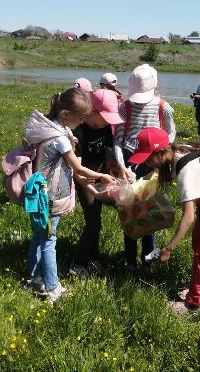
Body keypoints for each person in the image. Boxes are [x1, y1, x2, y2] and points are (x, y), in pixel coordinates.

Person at [127, 127, 200, 314]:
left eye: (147, 157)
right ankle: (196, 288)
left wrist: (168, 248)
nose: (146, 162)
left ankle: (193, 303)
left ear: (161, 153)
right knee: (199, 243)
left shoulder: (186, 170)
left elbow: (188, 216)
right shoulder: (176, 150)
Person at [22, 87, 115, 304]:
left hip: (38, 192)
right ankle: (53, 287)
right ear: (65, 115)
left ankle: (31, 276)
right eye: (80, 118)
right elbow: (79, 169)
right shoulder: (60, 139)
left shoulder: (47, 126)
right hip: (49, 196)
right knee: (48, 239)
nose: (82, 122)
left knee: (39, 236)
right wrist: (102, 177)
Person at [113, 64, 176, 272]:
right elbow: (118, 140)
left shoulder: (163, 107)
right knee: (128, 211)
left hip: (152, 162)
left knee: (149, 211)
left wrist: (159, 152)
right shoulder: (125, 107)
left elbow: (171, 134)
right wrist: (122, 166)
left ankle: (148, 258)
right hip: (130, 162)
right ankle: (130, 260)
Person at [69, 89, 124, 277]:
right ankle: (78, 264)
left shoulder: (106, 126)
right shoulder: (79, 130)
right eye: (106, 116)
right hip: (85, 180)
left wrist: (118, 167)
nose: (109, 121)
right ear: (93, 112)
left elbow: (107, 152)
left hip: (102, 175)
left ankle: (94, 258)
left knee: (97, 219)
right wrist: (96, 184)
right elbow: (77, 170)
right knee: (93, 222)